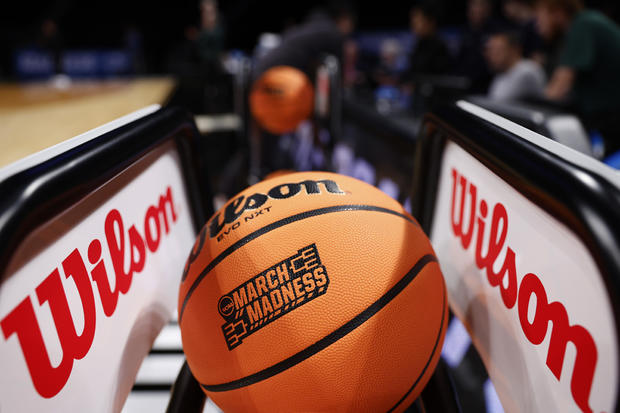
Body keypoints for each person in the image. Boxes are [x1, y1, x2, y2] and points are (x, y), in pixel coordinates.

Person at [536, 0, 620, 154]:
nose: (537, 24)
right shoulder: (584, 23)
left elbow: (559, 86)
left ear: (557, 12)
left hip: (611, 119)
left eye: (540, 15)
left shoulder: (583, 24)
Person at [457, 0, 505, 93]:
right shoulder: (465, 30)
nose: (477, 9)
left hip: (487, 85)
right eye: (474, 5)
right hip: (463, 83)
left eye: (481, 5)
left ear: (488, 8)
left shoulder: (496, 32)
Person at [486, 31, 546, 101]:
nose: (493, 55)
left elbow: (502, 102)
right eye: (491, 50)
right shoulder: (501, 72)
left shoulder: (527, 72)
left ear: (514, 50)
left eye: (498, 50)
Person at [407, 2, 452, 77]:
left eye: (418, 20)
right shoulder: (419, 45)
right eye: (412, 20)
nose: (413, 24)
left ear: (431, 22)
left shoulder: (439, 49)